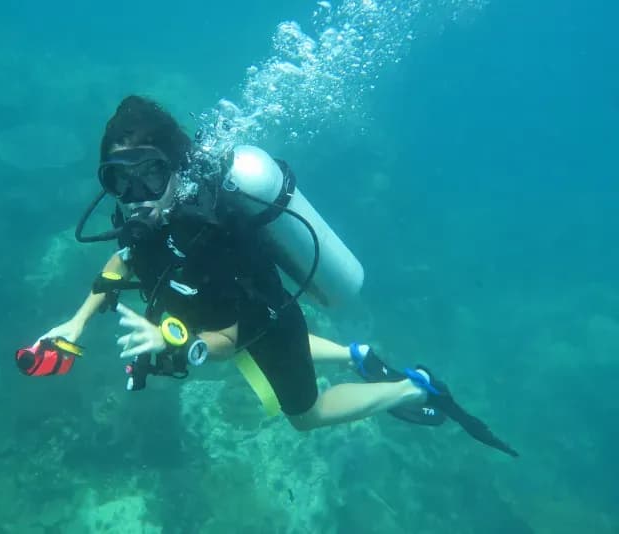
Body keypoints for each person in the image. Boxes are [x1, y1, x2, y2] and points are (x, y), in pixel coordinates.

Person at [36, 95, 517, 457]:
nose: (136, 193)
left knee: (306, 416)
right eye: (120, 179)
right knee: (273, 347)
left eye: (150, 175)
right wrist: (76, 324)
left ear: (177, 169)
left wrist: (175, 343)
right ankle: (356, 355)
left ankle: (413, 387)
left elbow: (230, 338)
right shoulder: (149, 218)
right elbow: (123, 260)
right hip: (238, 317)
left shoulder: (209, 231)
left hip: (265, 322)